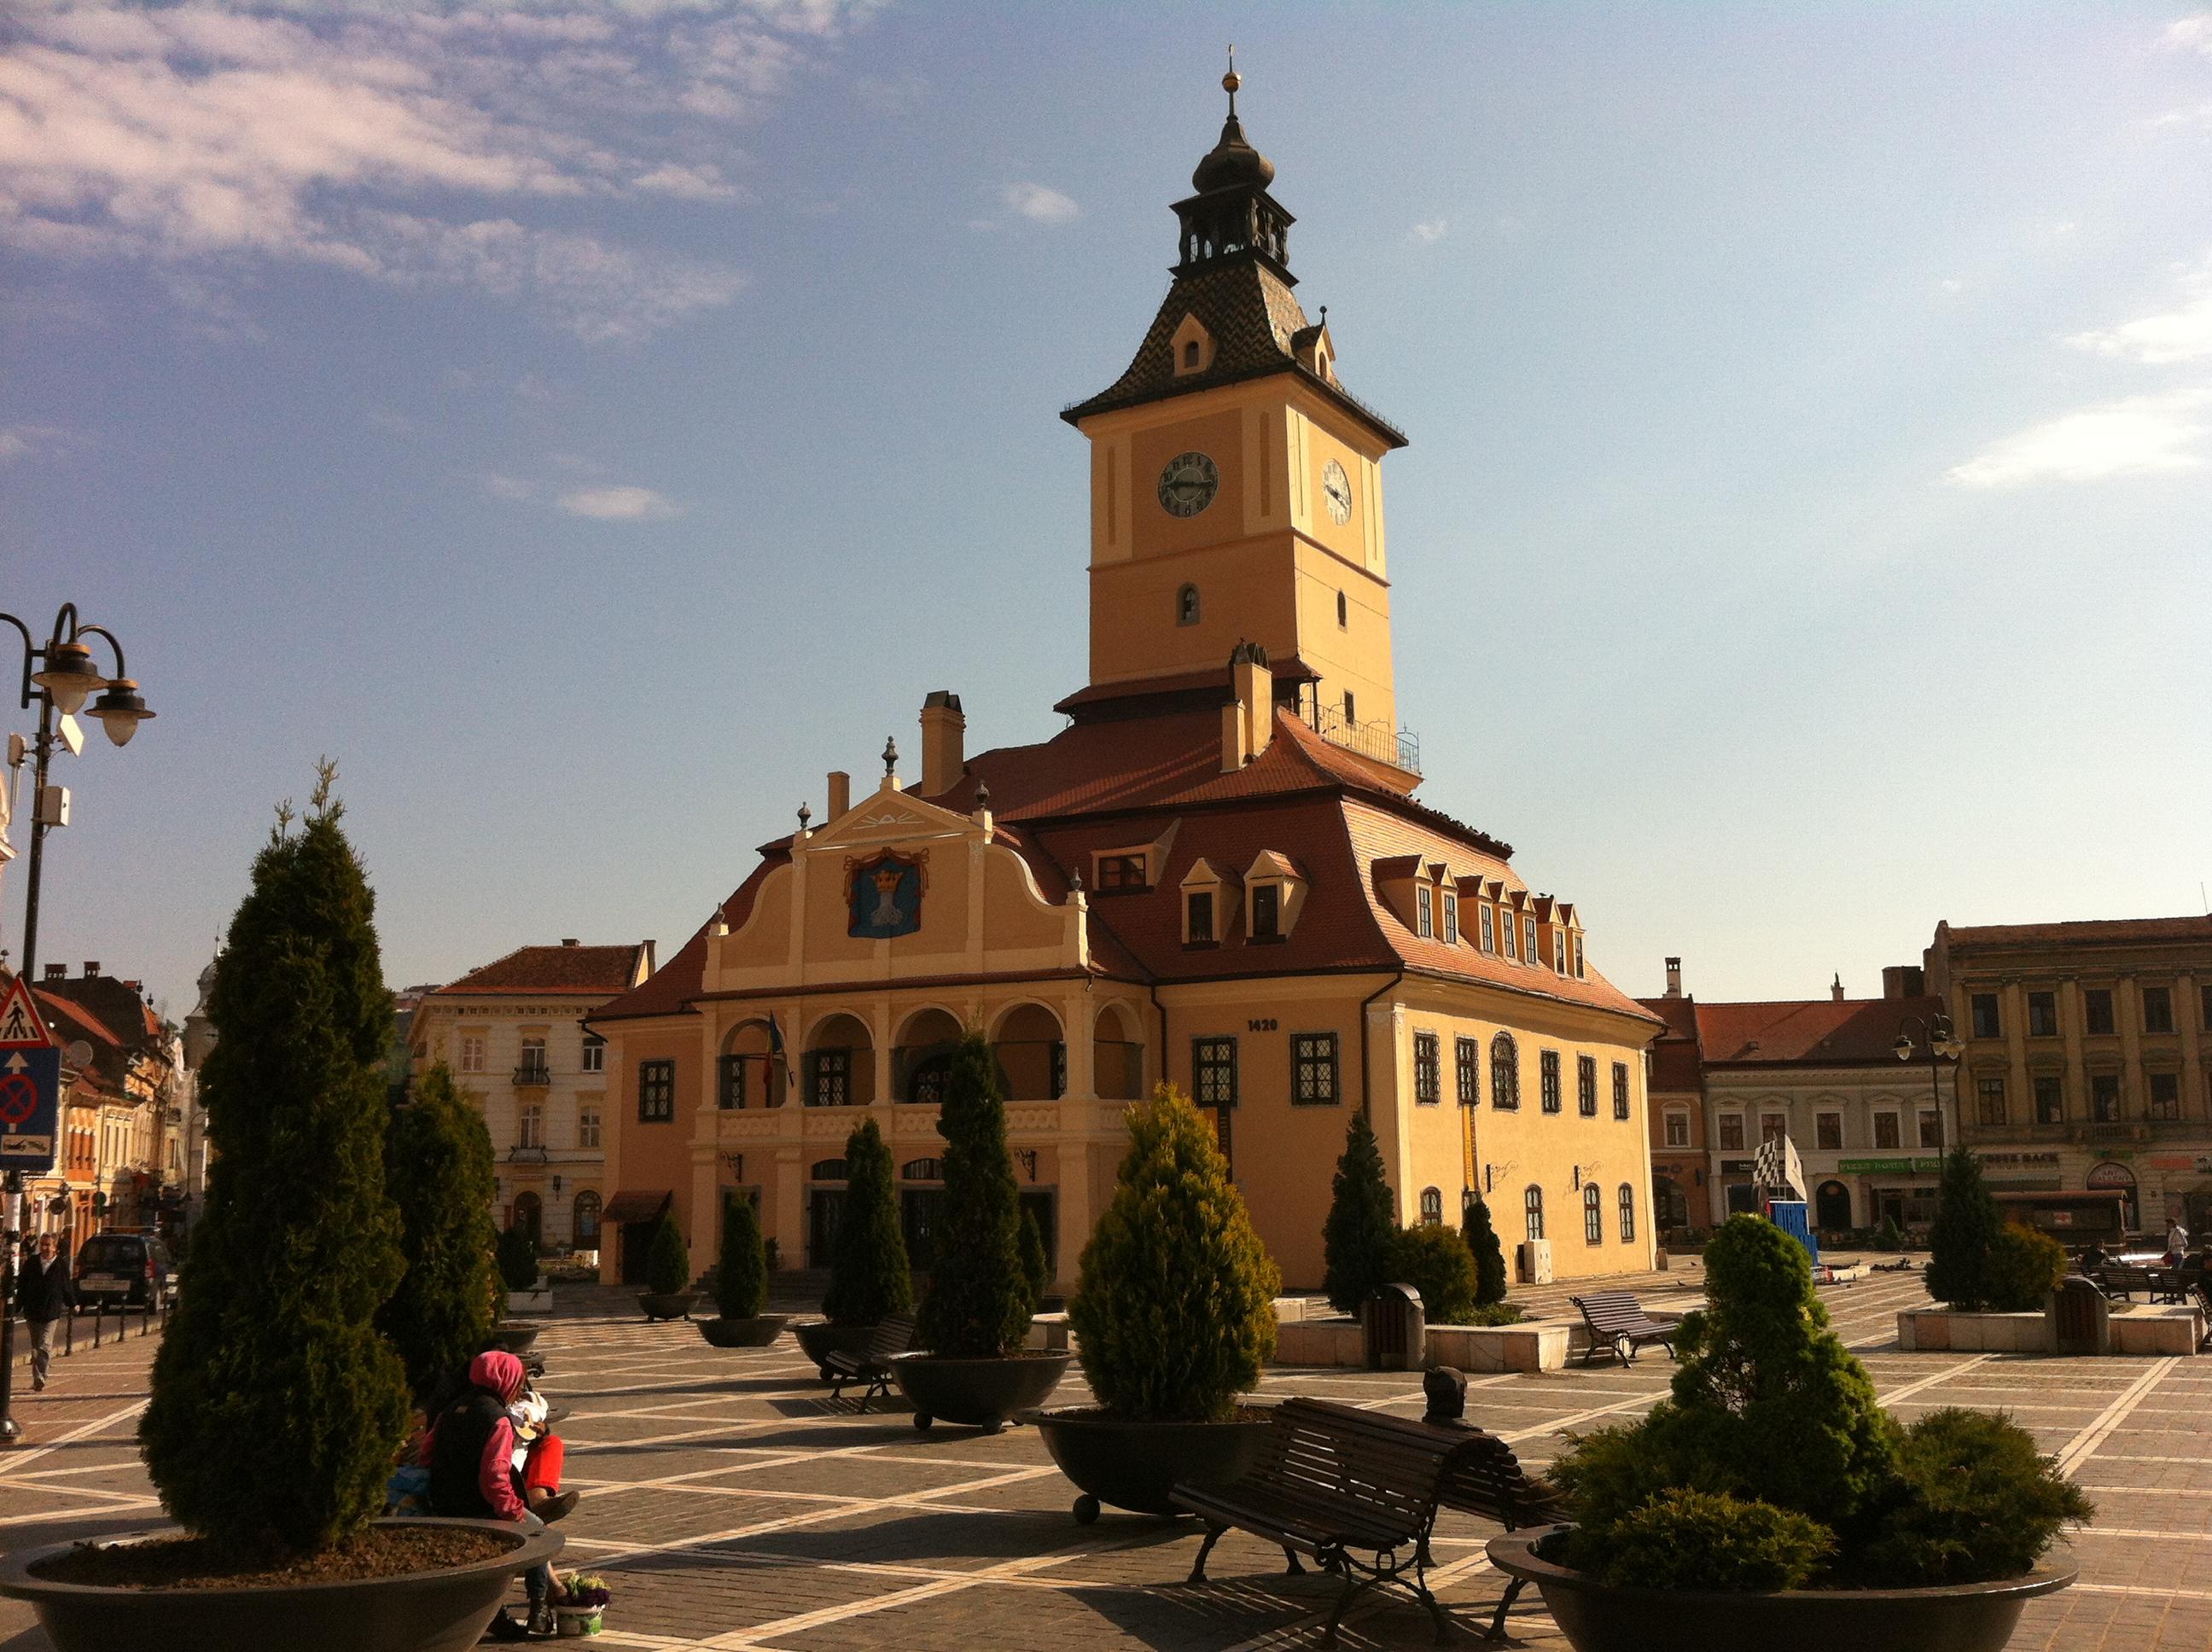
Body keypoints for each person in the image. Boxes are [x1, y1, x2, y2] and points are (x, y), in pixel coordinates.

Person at [422, 1351, 556, 1638]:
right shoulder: (497, 1419)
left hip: (443, 1501)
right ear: (506, 1380)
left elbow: (425, 1454)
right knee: (538, 1533)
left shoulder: (451, 1409)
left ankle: (505, 1613)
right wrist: (512, 1511)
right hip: (478, 1506)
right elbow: (494, 1475)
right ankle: (539, 1609)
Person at [16, 1234, 74, 1393]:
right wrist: (16, 1307)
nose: (44, 1248)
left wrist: (73, 1304)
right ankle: (38, 1377)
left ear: (55, 1247)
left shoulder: (61, 1265)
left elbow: (66, 1286)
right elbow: (22, 1286)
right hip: (33, 1310)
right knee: (36, 1347)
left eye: (48, 1245)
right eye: (42, 1244)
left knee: (44, 1345)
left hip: (51, 1312)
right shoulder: (32, 1263)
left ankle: (40, 1377)